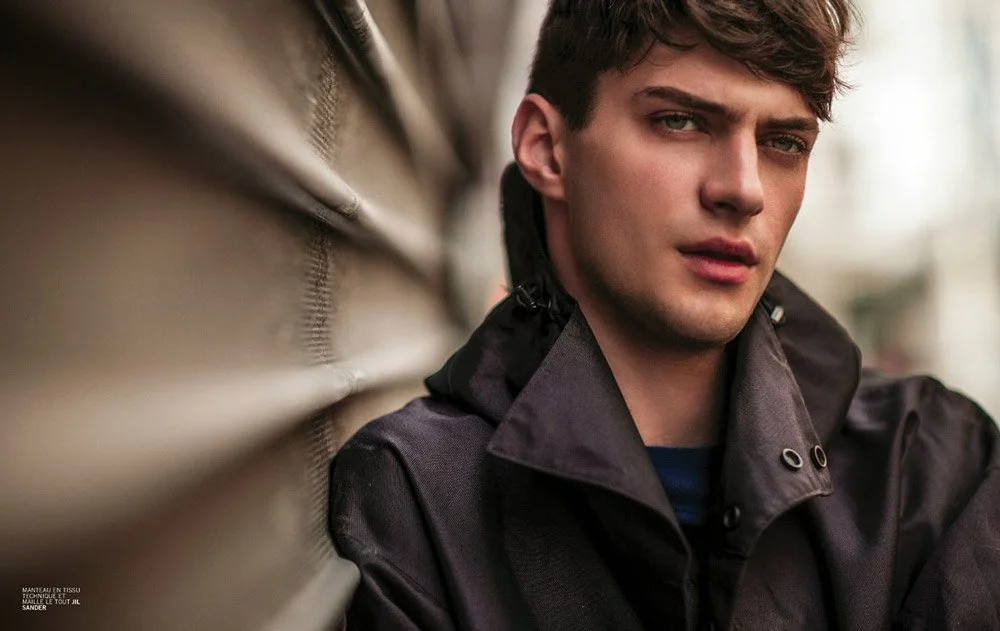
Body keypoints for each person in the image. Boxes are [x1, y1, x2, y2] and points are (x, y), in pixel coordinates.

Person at [327, 1, 1000, 629]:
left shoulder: (935, 468)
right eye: (680, 121)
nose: (742, 188)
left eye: (784, 143)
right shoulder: (417, 494)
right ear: (545, 147)